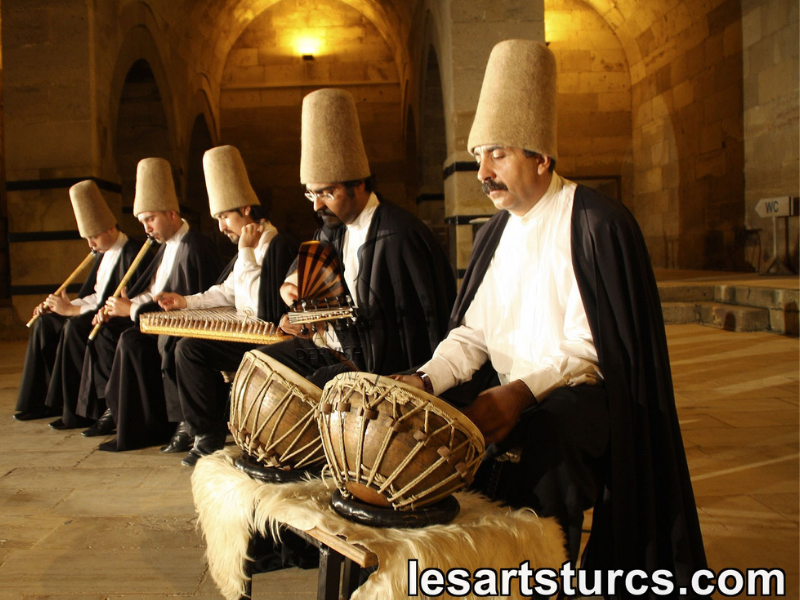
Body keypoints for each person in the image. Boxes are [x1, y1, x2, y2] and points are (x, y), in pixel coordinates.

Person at [395, 40, 706, 595]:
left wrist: (517, 394)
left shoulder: (595, 222)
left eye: (499, 154)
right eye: (480, 154)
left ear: (541, 157)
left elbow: (589, 351)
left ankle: (548, 573)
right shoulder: (493, 233)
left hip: (590, 395)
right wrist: (426, 378)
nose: (483, 171)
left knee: (545, 440)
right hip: (515, 389)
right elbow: (473, 332)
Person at [258, 88, 455, 391]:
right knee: (263, 365)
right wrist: (293, 290)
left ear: (359, 184)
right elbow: (304, 273)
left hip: (380, 370)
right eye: (311, 193)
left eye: (327, 192)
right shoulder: (329, 230)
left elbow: (426, 328)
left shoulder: (400, 235)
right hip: (335, 351)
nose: (316, 206)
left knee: (305, 388)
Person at [156, 145, 298, 467]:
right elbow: (227, 292)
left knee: (189, 350)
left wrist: (246, 252)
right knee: (184, 347)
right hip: (243, 335)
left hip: (269, 339)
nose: (221, 227)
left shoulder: (278, 245)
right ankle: (202, 431)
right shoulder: (247, 248)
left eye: (224, 217)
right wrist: (186, 301)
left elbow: (263, 303)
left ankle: (208, 436)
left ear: (246, 209)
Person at [73, 157, 223, 440]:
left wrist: (132, 308)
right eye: (142, 221)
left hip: (182, 322)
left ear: (171, 214)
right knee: (108, 331)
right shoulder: (163, 248)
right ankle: (116, 410)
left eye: (150, 219)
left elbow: (191, 295)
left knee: (132, 339)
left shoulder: (196, 246)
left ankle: (180, 421)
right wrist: (121, 306)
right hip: (154, 317)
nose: (146, 228)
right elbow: (153, 289)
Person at [13, 181, 151, 423]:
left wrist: (72, 310)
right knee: (44, 323)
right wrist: (62, 305)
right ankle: (43, 402)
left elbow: (114, 300)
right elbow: (94, 294)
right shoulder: (101, 253)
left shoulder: (133, 253)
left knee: (74, 327)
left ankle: (79, 410)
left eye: (93, 236)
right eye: (87, 238)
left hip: (114, 318)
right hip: (92, 309)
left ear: (109, 228)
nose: (90, 244)